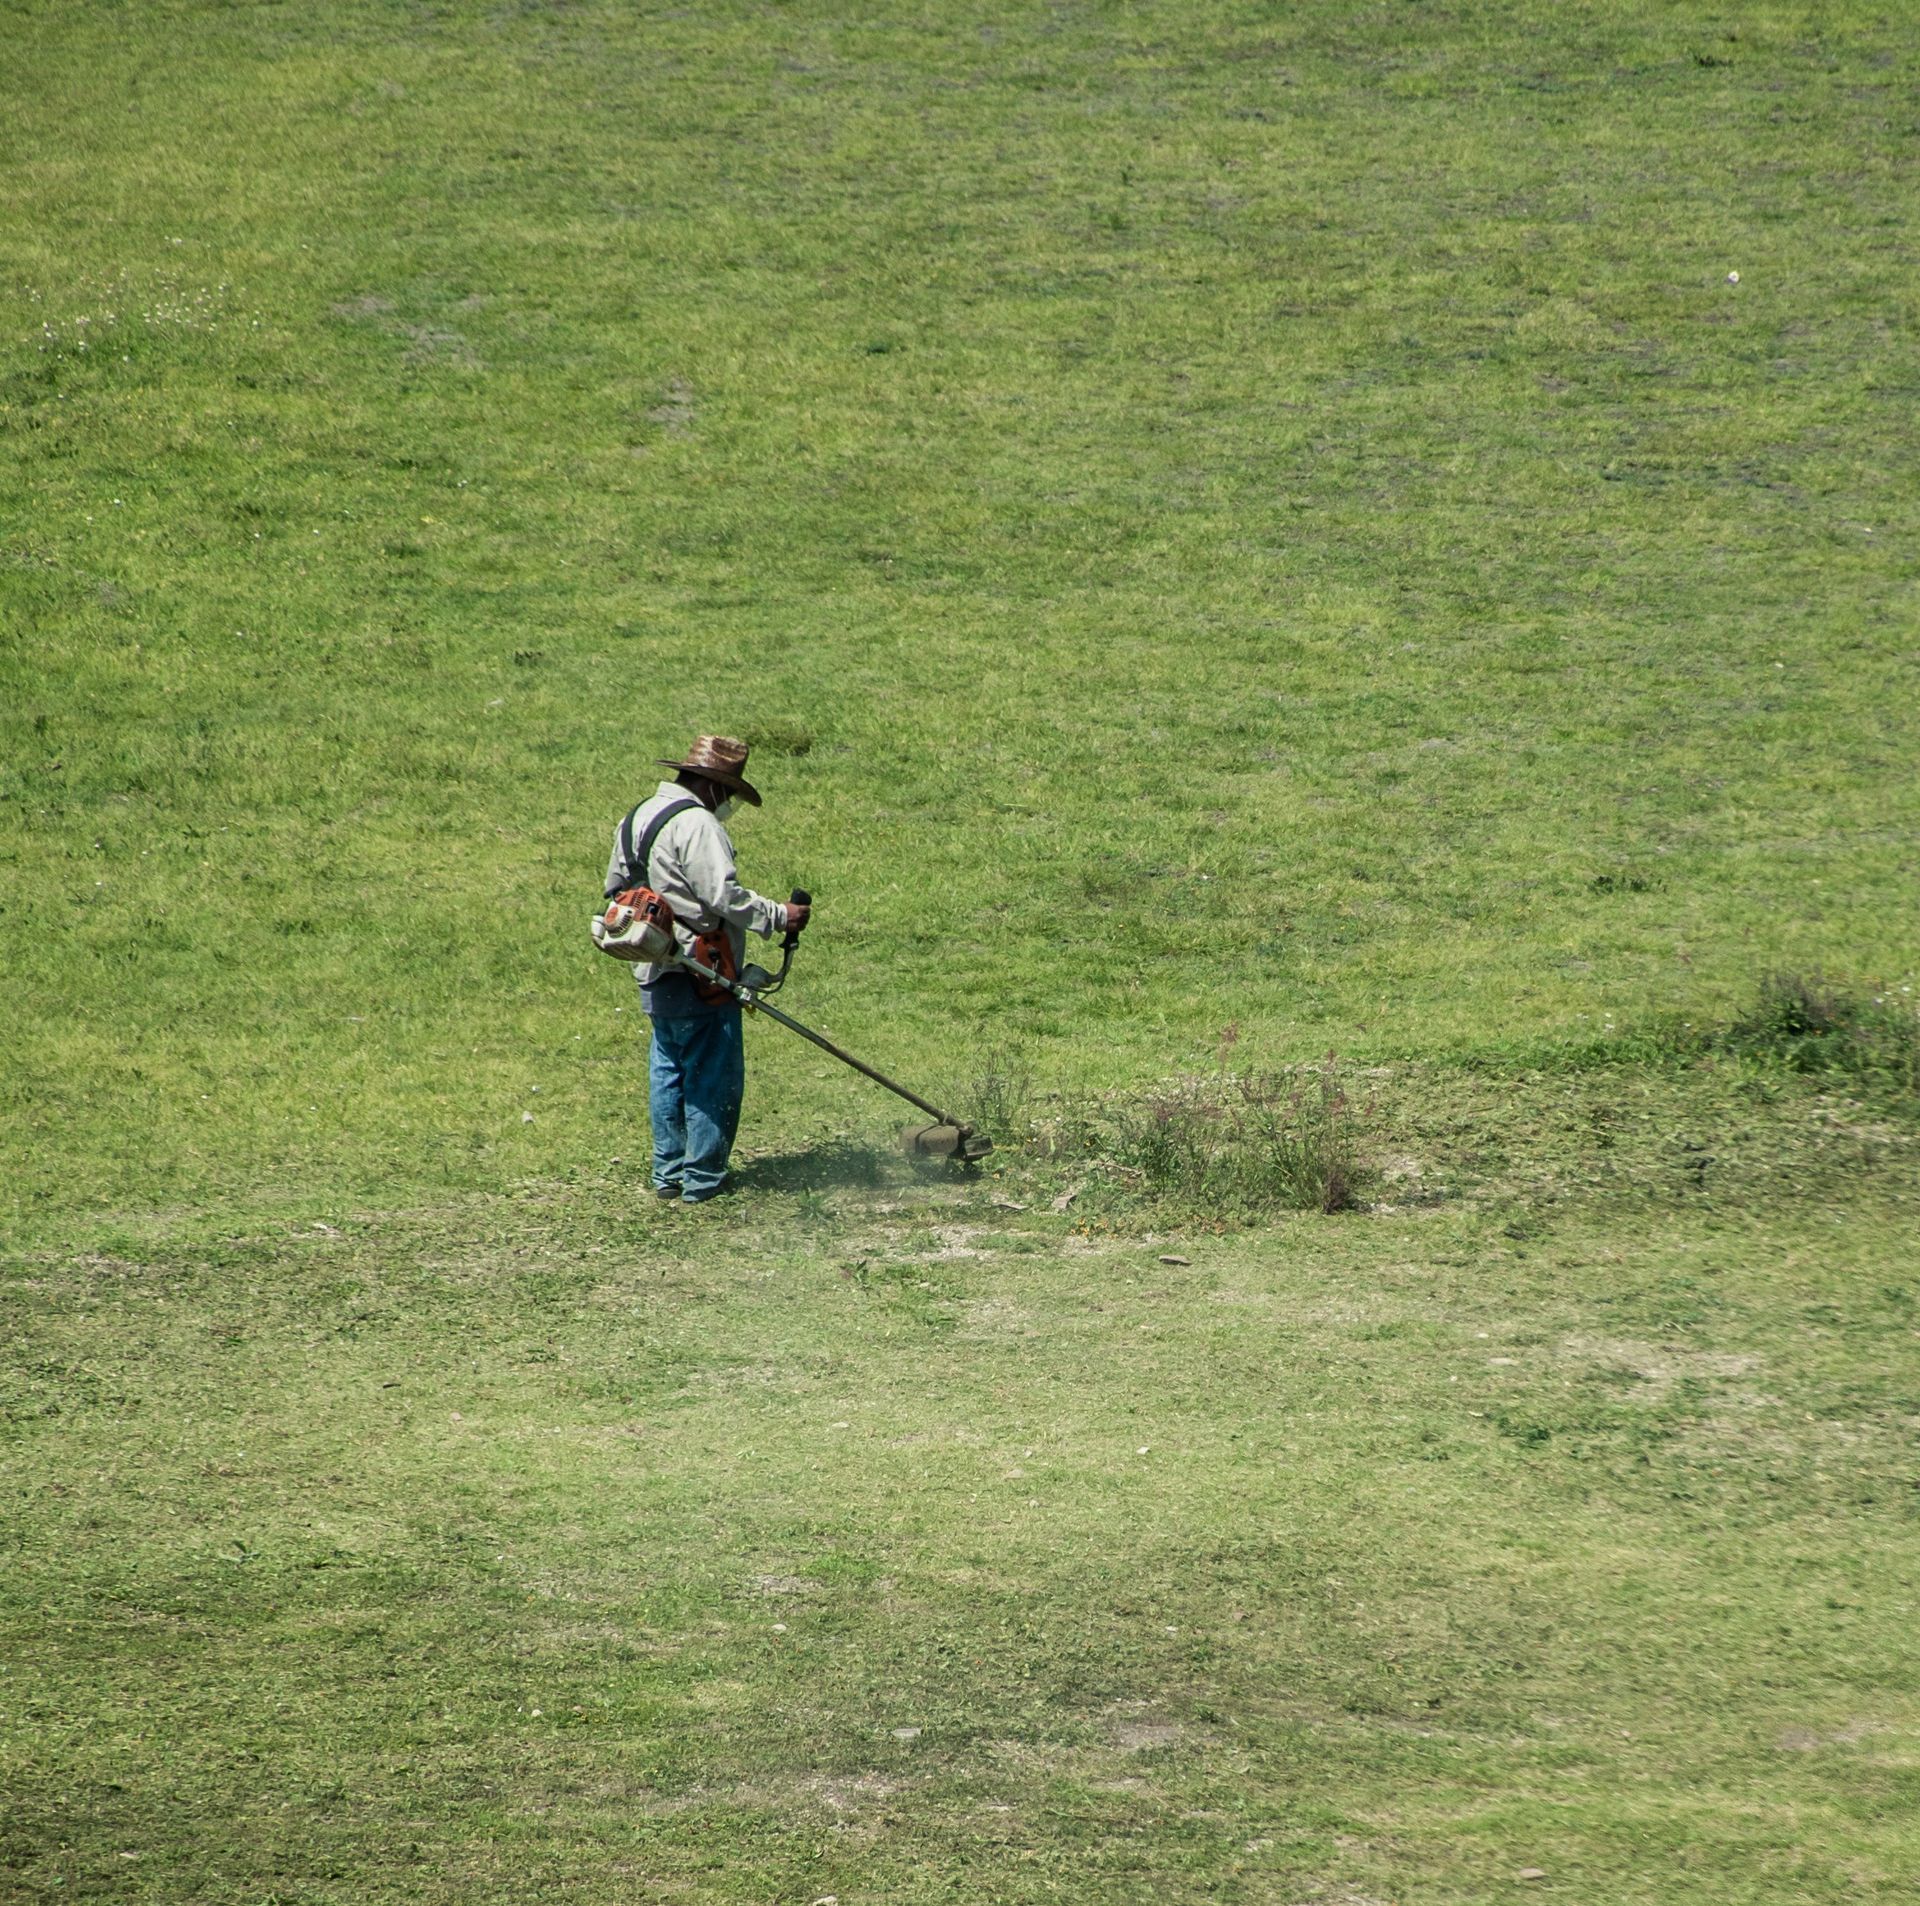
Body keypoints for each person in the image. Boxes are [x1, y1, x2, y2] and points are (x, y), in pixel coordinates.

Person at [606, 735, 809, 1204]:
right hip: (703, 969)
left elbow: (615, 891)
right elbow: (724, 896)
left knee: (669, 1069)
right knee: (713, 1072)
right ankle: (703, 1179)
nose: (729, 803)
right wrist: (780, 915)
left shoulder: (635, 818)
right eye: (730, 793)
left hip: (654, 965)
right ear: (712, 785)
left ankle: (669, 1175)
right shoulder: (697, 823)